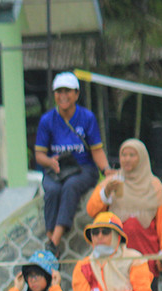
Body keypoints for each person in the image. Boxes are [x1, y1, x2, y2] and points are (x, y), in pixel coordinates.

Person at [86, 138, 162, 291]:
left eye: (132, 155)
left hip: (147, 251)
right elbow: (92, 209)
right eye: (124, 154)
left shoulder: (155, 185)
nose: (127, 159)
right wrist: (106, 192)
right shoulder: (113, 181)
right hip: (117, 255)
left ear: (141, 158)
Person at [34, 72, 112, 256]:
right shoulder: (47, 120)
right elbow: (39, 155)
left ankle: (54, 242)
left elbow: (96, 149)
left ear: (76, 94)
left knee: (71, 186)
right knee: (52, 190)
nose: (63, 95)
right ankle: (50, 236)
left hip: (82, 168)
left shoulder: (87, 118)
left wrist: (106, 169)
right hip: (58, 169)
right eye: (59, 91)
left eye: (67, 91)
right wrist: (50, 162)